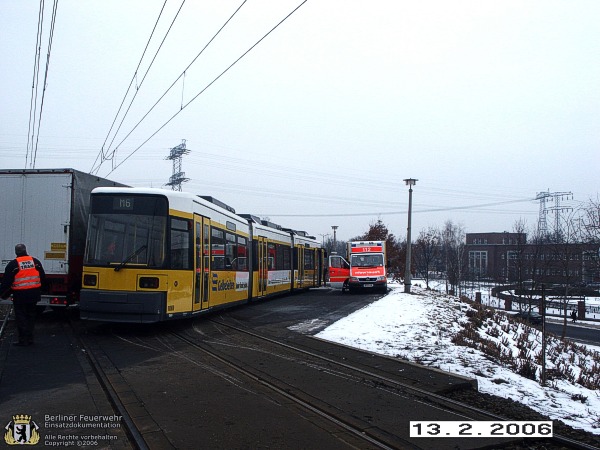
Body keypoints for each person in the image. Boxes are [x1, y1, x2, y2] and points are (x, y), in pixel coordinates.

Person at [0, 244, 46, 346]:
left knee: (21, 317)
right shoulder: (35, 262)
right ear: (26, 250)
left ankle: (22, 339)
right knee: (31, 316)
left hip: (20, 296)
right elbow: (43, 278)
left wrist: (2, 295)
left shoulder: (13, 265)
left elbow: (6, 282)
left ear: (16, 252)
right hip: (34, 294)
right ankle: (30, 339)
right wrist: (41, 290)